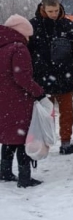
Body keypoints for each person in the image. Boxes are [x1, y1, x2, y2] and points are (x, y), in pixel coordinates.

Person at [28, 0, 73, 155]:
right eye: (50, 11)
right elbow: (28, 52)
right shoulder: (34, 25)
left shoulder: (67, 24)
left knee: (67, 112)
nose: (54, 13)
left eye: (56, 10)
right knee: (44, 114)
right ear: (43, 9)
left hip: (64, 74)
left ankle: (66, 143)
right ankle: (41, 144)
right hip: (42, 76)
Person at [0, 15, 46, 188]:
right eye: (28, 35)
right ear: (20, 32)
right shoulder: (18, 48)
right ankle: (24, 178)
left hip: (3, 99)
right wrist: (39, 93)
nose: (29, 39)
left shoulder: (2, 46)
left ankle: (4, 171)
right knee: (23, 138)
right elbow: (22, 77)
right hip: (18, 100)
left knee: (8, 137)